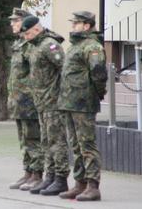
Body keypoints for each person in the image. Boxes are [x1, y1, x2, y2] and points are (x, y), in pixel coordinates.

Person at [58, 11, 108, 201]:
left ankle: (93, 185)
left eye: (76, 23)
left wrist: (98, 93)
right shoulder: (75, 45)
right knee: (75, 145)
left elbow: (98, 73)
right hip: (69, 102)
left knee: (87, 145)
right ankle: (80, 183)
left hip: (83, 102)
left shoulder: (92, 46)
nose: (73, 26)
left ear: (87, 26)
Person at [21, 16, 70, 195]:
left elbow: (64, 69)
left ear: (36, 29)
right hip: (41, 102)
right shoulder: (35, 46)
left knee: (57, 142)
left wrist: (61, 95)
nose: (25, 37)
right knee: (46, 141)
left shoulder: (50, 45)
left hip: (53, 102)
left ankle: (61, 178)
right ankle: (49, 176)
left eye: (27, 33)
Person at [7, 8, 44, 191]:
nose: (12, 24)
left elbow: (37, 74)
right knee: (24, 139)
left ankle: (37, 174)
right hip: (18, 101)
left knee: (33, 139)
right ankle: (28, 172)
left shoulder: (32, 45)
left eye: (15, 21)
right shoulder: (19, 44)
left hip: (30, 100)